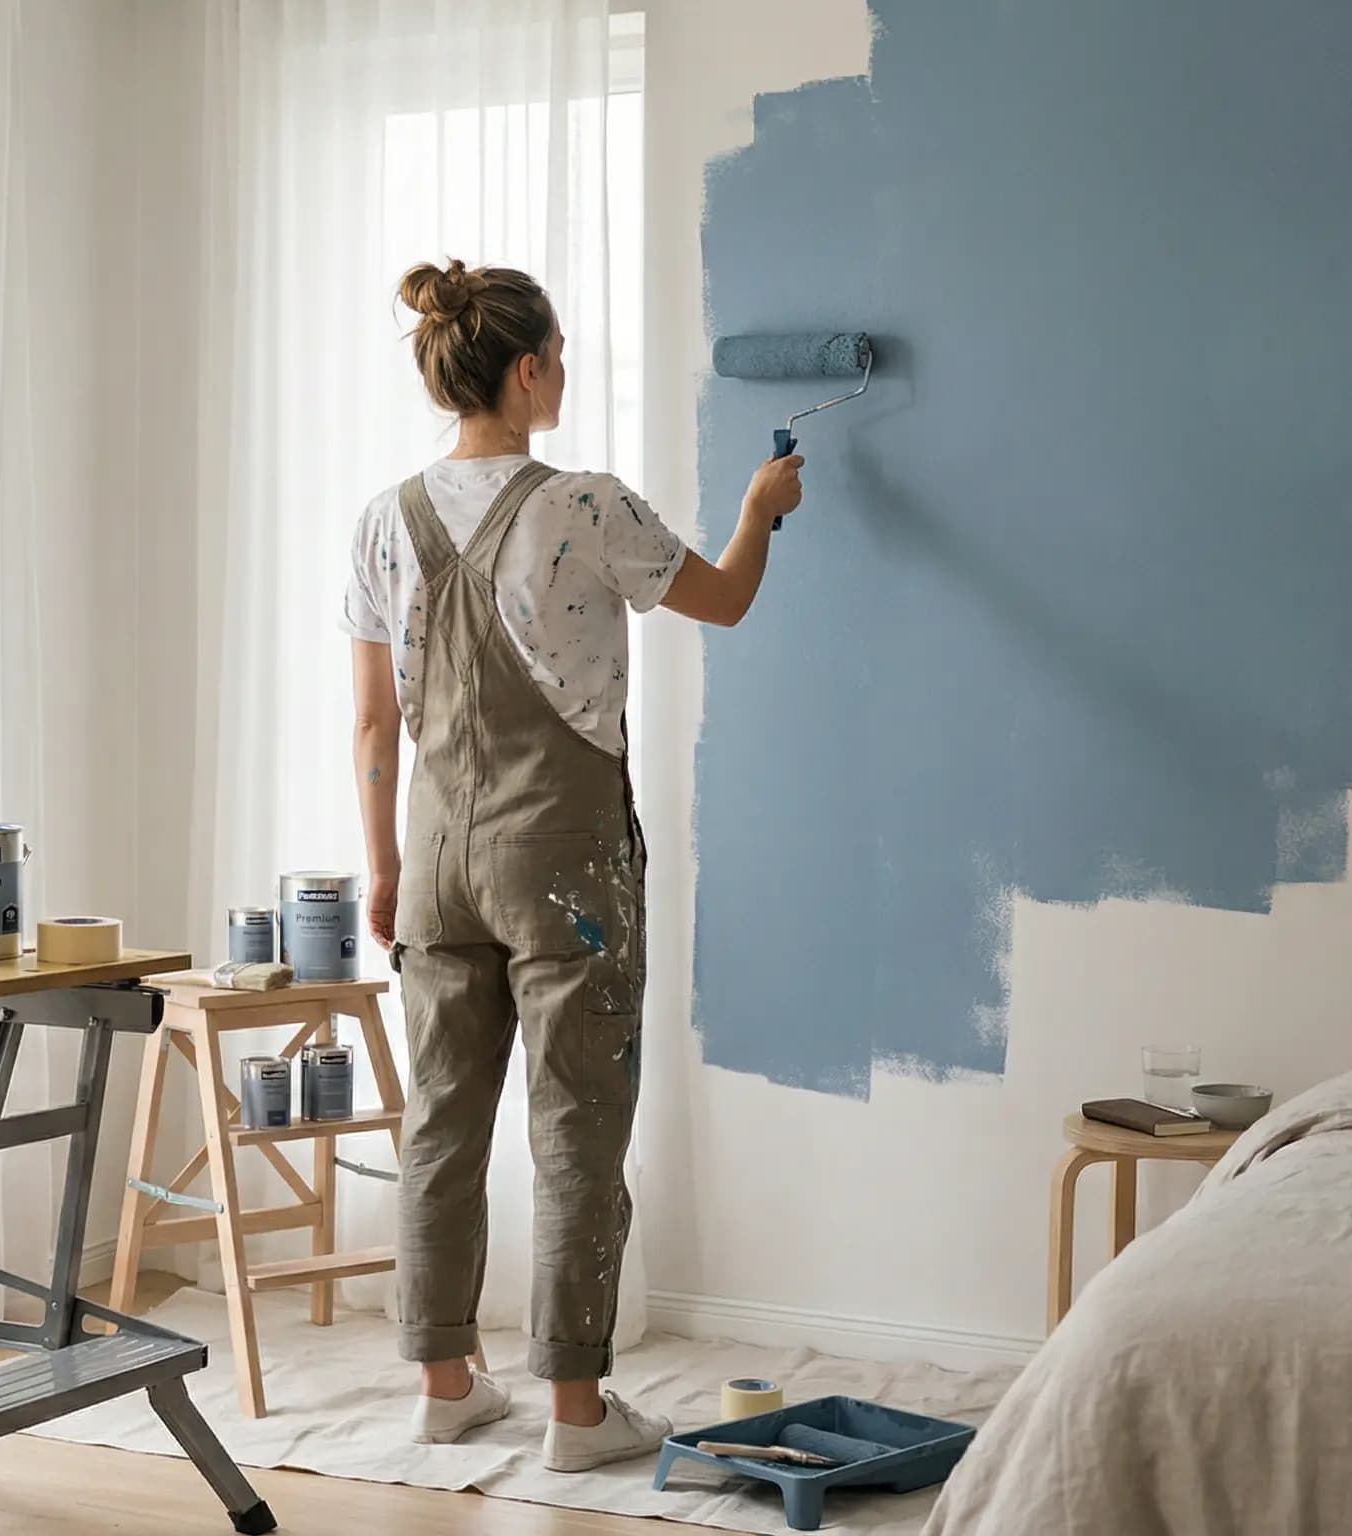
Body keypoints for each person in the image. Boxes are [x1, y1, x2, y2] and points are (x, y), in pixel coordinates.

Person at [341, 258, 801, 1470]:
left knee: (440, 1120)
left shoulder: (383, 517)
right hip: (563, 863)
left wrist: (381, 868)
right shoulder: (583, 506)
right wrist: (761, 509)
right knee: (576, 1125)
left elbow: (375, 723)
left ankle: (446, 1388)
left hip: (434, 855)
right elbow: (725, 601)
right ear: (530, 368)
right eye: (561, 354)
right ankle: (578, 1417)